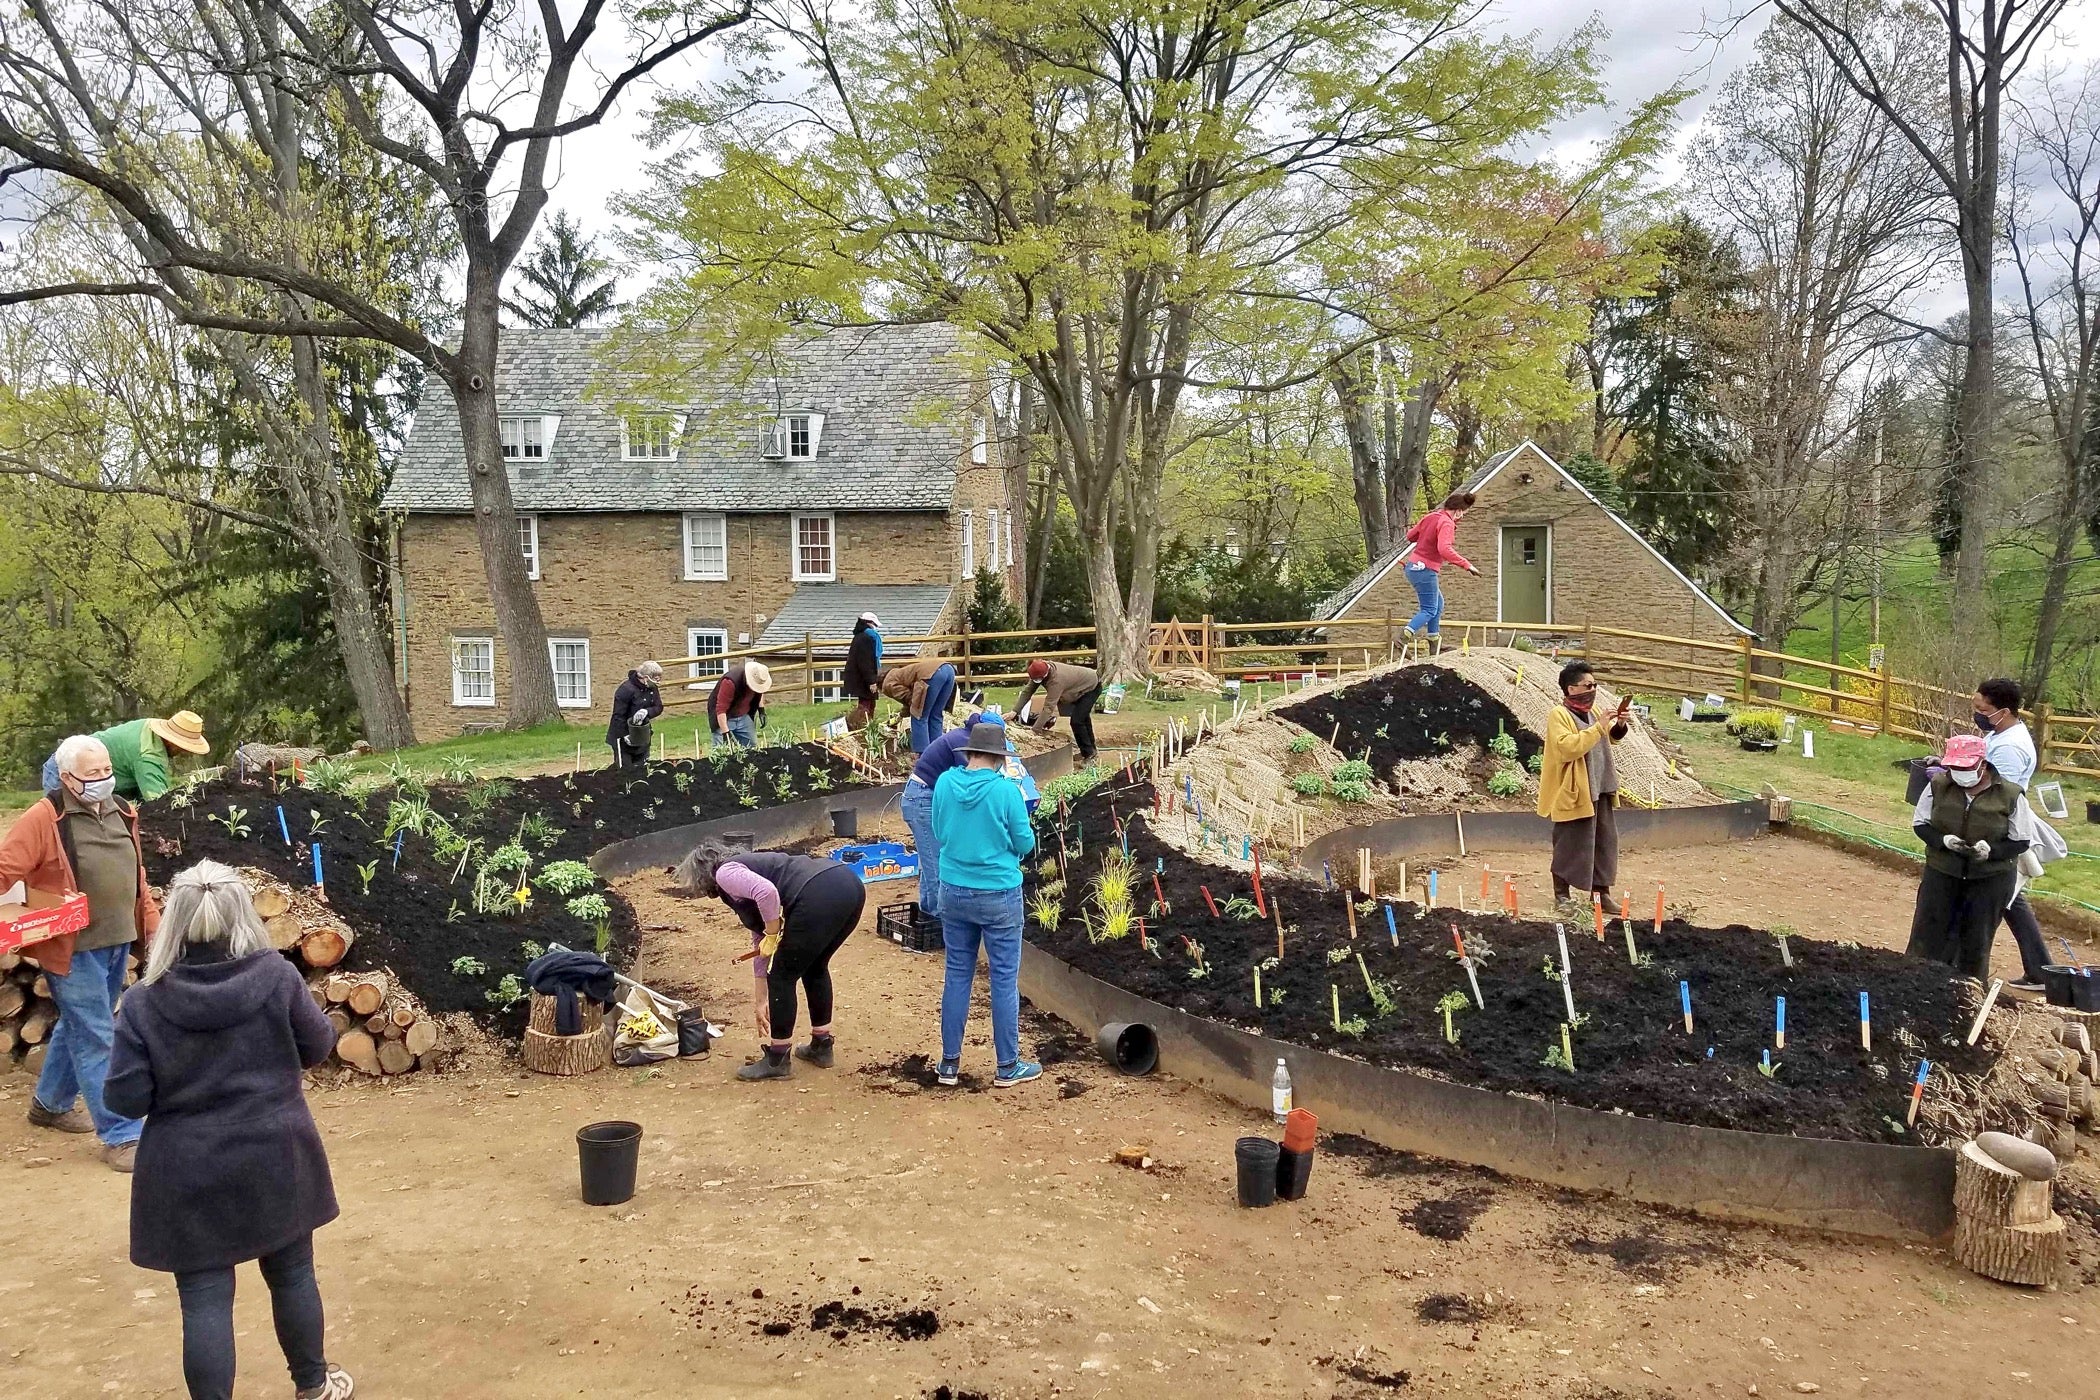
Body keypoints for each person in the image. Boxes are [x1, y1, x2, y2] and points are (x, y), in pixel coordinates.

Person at [105, 861, 353, 1400]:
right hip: (276, 1150)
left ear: (174, 923)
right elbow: (317, 1047)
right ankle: (313, 1386)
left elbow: (123, 1097)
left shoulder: (145, 1002)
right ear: (244, 915)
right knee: (292, 1274)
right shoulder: (278, 977)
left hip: (186, 1167)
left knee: (204, 1298)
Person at [2, 734, 160, 1170]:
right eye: (92, 775)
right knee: (97, 1034)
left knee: (82, 1026)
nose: (103, 780)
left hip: (115, 941)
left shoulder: (124, 811)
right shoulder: (46, 816)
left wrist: (153, 926)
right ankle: (122, 1134)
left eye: (107, 771)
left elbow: (137, 876)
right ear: (68, 777)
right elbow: (5, 868)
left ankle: (49, 1104)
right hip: (72, 947)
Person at [673, 840, 866, 1081]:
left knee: (783, 977)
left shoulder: (725, 872)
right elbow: (761, 938)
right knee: (814, 966)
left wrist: (774, 933)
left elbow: (767, 893)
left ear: (702, 872)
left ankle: (778, 1058)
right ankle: (821, 1045)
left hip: (818, 892)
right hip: (847, 884)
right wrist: (761, 997)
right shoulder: (750, 869)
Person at [931, 721, 1041, 1087]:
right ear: (999, 758)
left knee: (958, 974)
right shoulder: (1006, 792)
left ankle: (949, 1064)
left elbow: (939, 831)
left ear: (970, 753)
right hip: (998, 894)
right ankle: (1007, 1066)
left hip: (953, 889)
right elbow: (1024, 845)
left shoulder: (945, 783)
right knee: (1003, 980)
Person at [1908, 734, 2037, 979]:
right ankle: (1918, 984)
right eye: (1954, 767)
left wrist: (1991, 851)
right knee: (1928, 934)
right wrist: (1943, 841)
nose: (1958, 773)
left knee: (1976, 940)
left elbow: (2020, 840)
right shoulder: (1938, 785)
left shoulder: (2010, 795)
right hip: (1942, 872)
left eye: (1964, 767)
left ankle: (1968, 992)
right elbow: (1920, 823)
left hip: (1990, 879)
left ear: (1983, 764)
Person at [1972, 677, 2051, 991]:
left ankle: (1970, 968)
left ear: (2003, 711)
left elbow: (1998, 795)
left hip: (1998, 830)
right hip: (1999, 826)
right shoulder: (2002, 733)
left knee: (1992, 896)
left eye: (1982, 709)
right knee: (2010, 899)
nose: (1977, 713)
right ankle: (2041, 970)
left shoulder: (2010, 748)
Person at [1536, 661, 1631, 909]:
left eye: (1595, 684)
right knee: (1569, 843)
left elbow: (1610, 735)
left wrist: (1619, 724)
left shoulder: (1591, 711)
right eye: (1588, 685)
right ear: (1571, 689)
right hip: (1574, 791)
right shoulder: (1559, 715)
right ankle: (1562, 896)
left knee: (1603, 842)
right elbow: (1567, 748)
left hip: (1600, 787)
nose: (1593, 689)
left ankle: (1600, 895)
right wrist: (1598, 728)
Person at [899, 712, 1000, 925]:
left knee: (929, 860)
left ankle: (928, 913)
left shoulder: (963, 737)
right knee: (936, 864)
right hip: (922, 799)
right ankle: (942, 922)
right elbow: (970, 782)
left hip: (922, 795)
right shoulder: (964, 743)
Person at [41, 711, 211, 801]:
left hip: (94, 775)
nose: (185, 753)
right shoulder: (148, 755)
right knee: (65, 830)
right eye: (183, 748)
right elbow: (158, 801)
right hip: (67, 770)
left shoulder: (149, 727)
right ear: (174, 742)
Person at [1400, 491, 1482, 645]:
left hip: (1413, 566)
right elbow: (1444, 549)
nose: (1462, 517)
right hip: (1425, 569)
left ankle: (1434, 639)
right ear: (1457, 510)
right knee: (1429, 609)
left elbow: (1410, 536)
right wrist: (1467, 565)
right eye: (1463, 513)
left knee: (1438, 604)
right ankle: (1403, 637)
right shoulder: (1447, 523)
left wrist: (1426, 531)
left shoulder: (1431, 517)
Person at [1016, 658, 1102, 763]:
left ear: (1044, 675)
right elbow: (1027, 692)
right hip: (1079, 686)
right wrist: (1014, 711)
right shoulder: (1039, 670)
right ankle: (1088, 751)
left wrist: (1035, 729)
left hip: (1091, 687)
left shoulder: (1056, 680)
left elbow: (1048, 707)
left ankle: (1090, 754)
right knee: (1082, 718)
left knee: (1077, 721)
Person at [879, 654, 959, 752]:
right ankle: (937, 753)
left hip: (931, 676)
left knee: (919, 716)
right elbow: (911, 698)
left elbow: (909, 698)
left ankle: (923, 755)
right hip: (948, 670)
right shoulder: (898, 673)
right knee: (936, 715)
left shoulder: (887, 684)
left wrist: (907, 712)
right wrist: (902, 714)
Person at [606, 661, 666, 768]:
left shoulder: (652, 688)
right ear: (646, 678)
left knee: (642, 768)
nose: (658, 682)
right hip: (624, 737)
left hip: (642, 734)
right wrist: (624, 735)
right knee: (625, 769)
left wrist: (647, 711)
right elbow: (618, 716)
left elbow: (658, 707)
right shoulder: (625, 690)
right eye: (656, 678)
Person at [708, 659, 773, 749]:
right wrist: (725, 733)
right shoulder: (730, 682)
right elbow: (720, 710)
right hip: (726, 716)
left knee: (752, 747)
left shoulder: (758, 681)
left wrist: (761, 710)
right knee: (720, 750)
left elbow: (759, 692)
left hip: (743, 716)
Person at [842, 613, 884, 731]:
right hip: (863, 678)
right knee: (866, 704)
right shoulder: (866, 638)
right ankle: (865, 728)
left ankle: (867, 727)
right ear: (869, 623)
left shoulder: (860, 636)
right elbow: (865, 662)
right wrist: (871, 681)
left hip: (861, 677)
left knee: (868, 702)